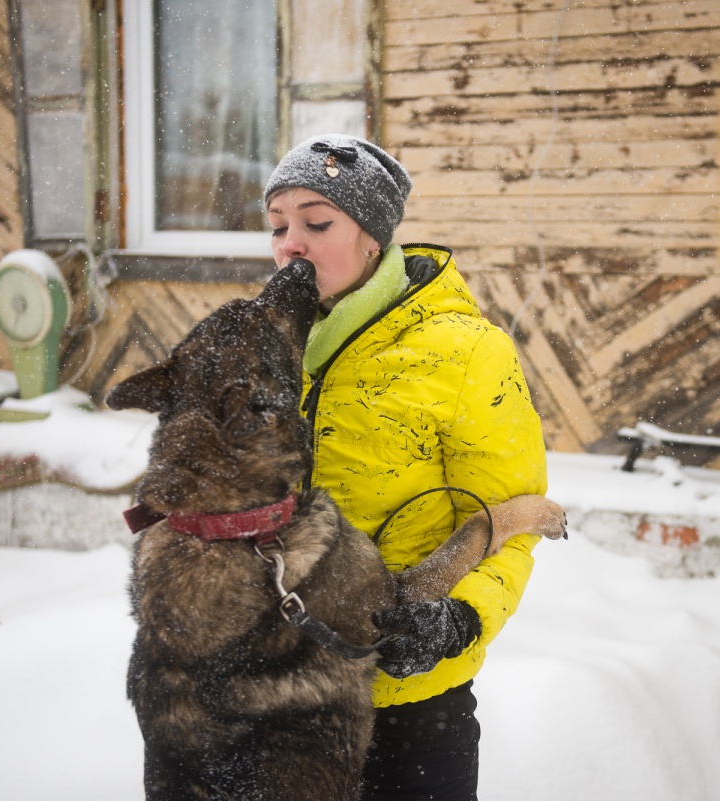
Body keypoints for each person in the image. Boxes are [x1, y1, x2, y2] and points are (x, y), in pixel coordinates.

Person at [263, 134, 548, 801]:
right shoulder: (265, 347)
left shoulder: (468, 354)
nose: (290, 244)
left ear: (374, 236)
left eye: (317, 221)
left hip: (409, 717)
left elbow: (512, 521)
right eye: (277, 226)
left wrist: (460, 619)